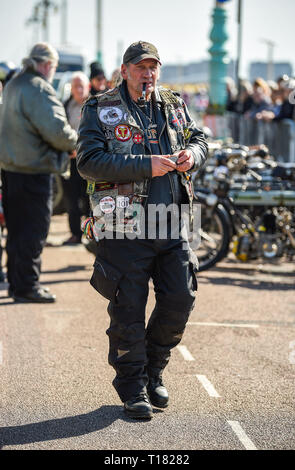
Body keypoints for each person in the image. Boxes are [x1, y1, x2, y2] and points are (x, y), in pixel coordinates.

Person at [76, 41, 208, 419]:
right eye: (140, 67)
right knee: (128, 310)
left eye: (153, 67)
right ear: (125, 70)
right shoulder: (99, 107)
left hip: (174, 221)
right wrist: (143, 165)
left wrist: (192, 156)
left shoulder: (173, 102)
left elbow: (199, 139)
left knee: (181, 298)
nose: (147, 74)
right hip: (123, 226)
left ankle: (154, 371)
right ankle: (133, 387)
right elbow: (88, 162)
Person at [0, 43, 77, 303]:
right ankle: (27, 287)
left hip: (11, 169)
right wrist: (76, 143)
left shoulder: (13, 85)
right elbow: (57, 130)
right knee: (34, 232)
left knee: (16, 232)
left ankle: (16, 284)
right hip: (35, 170)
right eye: (53, 68)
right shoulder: (38, 87)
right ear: (46, 65)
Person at [62, 71, 90, 245]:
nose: (79, 89)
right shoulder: (66, 106)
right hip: (71, 161)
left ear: (87, 87)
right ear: (71, 89)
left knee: (89, 199)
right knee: (71, 199)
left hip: (90, 161)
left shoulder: (96, 104)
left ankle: (91, 234)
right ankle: (75, 233)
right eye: (75, 86)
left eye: (81, 86)